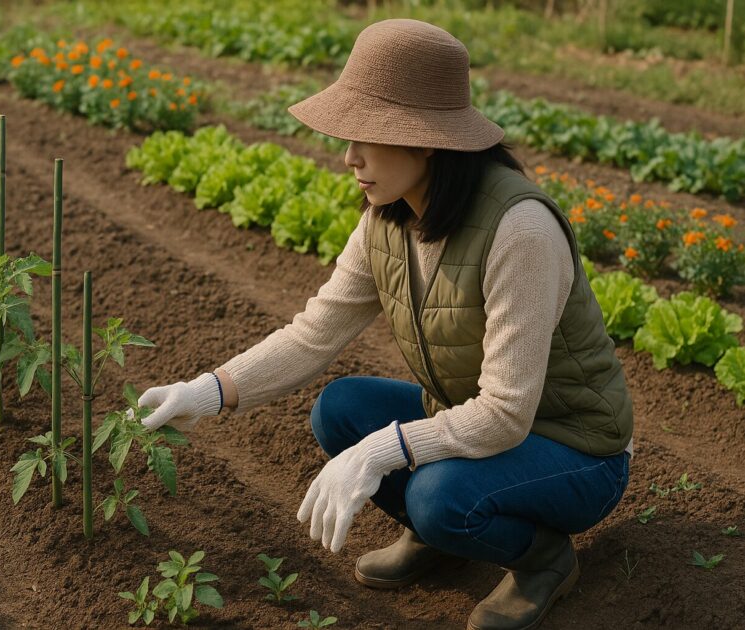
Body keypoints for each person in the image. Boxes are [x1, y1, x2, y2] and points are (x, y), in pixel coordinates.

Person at [137, 18, 633, 630]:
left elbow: (506, 413)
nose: (350, 158)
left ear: (427, 142)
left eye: (368, 137)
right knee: (340, 408)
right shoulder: (388, 217)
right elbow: (313, 334)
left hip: (576, 450)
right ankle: (438, 538)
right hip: (479, 420)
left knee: (437, 494)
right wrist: (205, 392)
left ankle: (542, 561)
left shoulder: (520, 231)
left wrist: (383, 450)